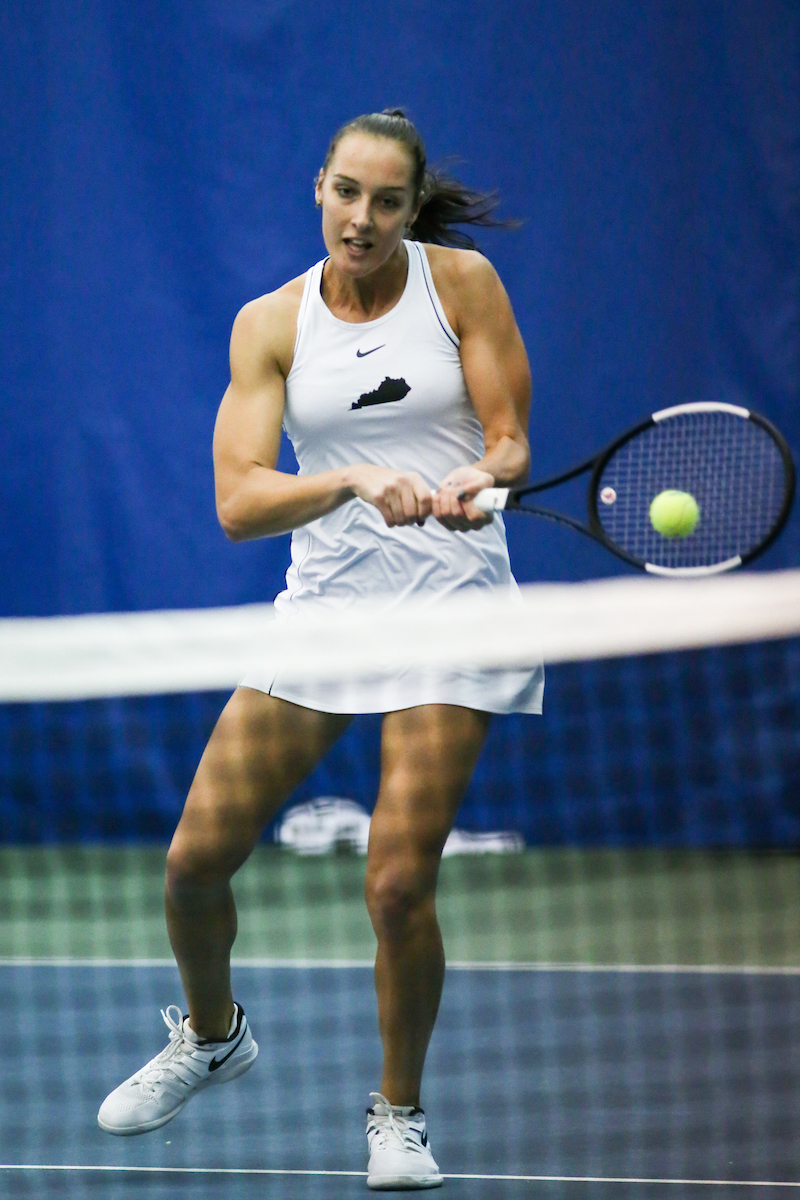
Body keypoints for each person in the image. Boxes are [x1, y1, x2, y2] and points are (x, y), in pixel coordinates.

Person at [97, 109, 543, 1190]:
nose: (364, 218)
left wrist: (485, 481)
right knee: (194, 862)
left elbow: (510, 438)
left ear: (409, 205)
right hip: (325, 617)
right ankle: (212, 1035)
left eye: (387, 201)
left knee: (395, 885)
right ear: (319, 189)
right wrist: (346, 480)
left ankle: (398, 1114)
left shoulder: (462, 286)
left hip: (453, 617)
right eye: (347, 192)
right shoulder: (273, 323)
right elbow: (238, 502)